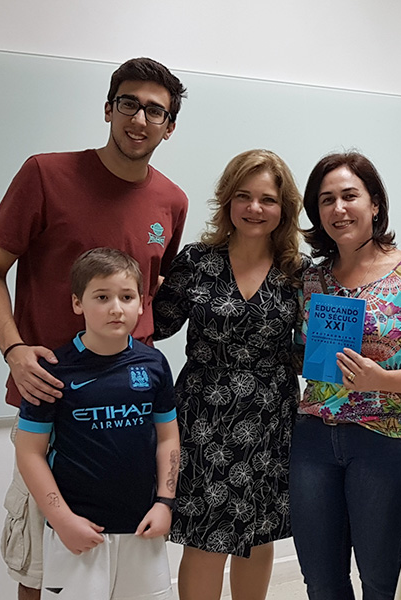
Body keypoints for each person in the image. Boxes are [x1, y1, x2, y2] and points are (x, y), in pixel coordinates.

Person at [0, 57, 187, 599]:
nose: (140, 119)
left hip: (131, 414)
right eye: (129, 104)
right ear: (108, 109)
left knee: (129, 573)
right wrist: (14, 349)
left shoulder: (171, 201)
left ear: (169, 126)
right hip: (51, 398)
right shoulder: (46, 175)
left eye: (155, 111)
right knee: (43, 568)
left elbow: (149, 292)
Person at [290, 151, 401, 600]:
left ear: (375, 204)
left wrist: (378, 379)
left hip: (389, 442)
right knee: (321, 582)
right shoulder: (311, 280)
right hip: (314, 440)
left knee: (380, 584)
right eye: (326, 200)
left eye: (350, 196)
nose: (338, 209)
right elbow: (300, 353)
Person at [152, 149, 307, 600]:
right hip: (205, 416)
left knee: (258, 534)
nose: (255, 208)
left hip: (271, 417)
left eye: (267, 199)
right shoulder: (196, 261)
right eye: (244, 196)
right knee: (205, 536)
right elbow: (156, 326)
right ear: (227, 200)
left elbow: (306, 354)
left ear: (283, 208)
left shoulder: (298, 274)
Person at [15, 248, 179, 599]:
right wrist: (62, 520)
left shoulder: (154, 365)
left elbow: (167, 438)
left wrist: (165, 503)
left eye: (127, 297)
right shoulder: (53, 370)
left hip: (142, 527)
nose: (116, 308)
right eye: (102, 297)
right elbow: (29, 453)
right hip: (77, 532)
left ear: (141, 304)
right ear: (78, 303)